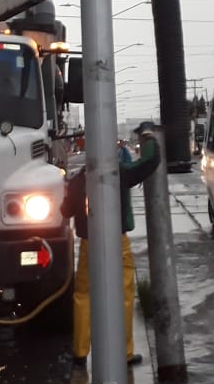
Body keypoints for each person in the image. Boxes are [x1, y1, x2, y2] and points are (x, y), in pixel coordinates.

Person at [61, 124, 160, 368]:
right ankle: (124, 352)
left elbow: (66, 210)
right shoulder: (119, 172)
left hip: (88, 243)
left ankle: (80, 351)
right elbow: (149, 163)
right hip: (117, 240)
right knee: (124, 294)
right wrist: (148, 138)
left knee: (83, 295)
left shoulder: (78, 179)